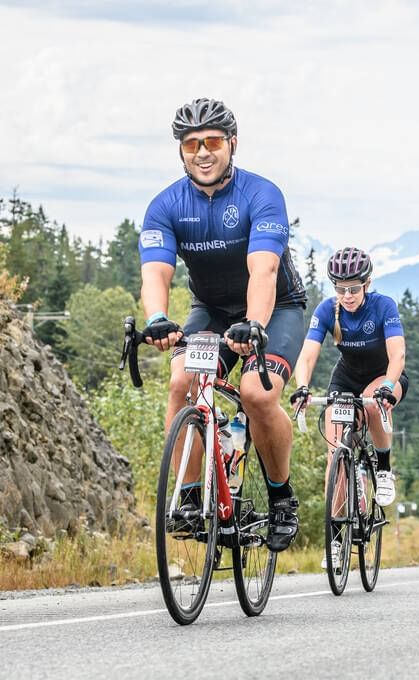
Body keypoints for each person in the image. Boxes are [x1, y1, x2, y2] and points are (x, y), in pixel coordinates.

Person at [138, 97, 306, 553]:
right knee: (183, 379)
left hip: (276, 307)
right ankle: (190, 496)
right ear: (181, 151)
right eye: (191, 144)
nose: (202, 152)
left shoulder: (261, 194)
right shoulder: (166, 205)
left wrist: (253, 324)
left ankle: (281, 496)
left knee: (255, 393)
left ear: (232, 144)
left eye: (212, 141)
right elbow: (156, 272)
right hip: (212, 308)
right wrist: (156, 319)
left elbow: (264, 271)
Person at [289, 247, 407, 508]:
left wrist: (388, 386)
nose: (347, 296)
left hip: (385, 376)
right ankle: (336, 537)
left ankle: (384, 469)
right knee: (335, 456)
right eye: (341, 289)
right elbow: (307, 355)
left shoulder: (383, 306)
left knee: (372, 401)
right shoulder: (326, 310)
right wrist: (302, 387)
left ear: (367, 284)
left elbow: (397, 355)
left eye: (353, 289)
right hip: (345, 379)